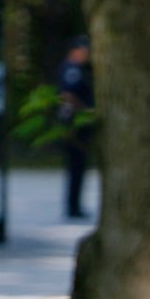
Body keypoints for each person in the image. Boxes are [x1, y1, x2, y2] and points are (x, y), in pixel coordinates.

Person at [56, 36, 95, 219]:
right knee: (76, 166)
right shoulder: (72, 68)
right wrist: (85, 111)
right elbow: (68, 95)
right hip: (74, 124)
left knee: (78, 167)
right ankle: (73, 206)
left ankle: (74, 205)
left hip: (75, 123)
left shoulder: (75, 68)